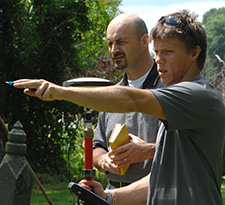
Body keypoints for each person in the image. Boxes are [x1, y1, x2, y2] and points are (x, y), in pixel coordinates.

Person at [13, 9, 225, 205]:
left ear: (194, 53)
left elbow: (133, 99)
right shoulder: (179, 106)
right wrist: (108, 197)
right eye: (157, 51)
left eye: (168, 52)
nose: (159, 60)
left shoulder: (197, 95)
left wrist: (61, 92)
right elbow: (160, 178)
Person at [93, 13, 164, 190]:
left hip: (156, 196)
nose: (114, 50)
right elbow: (97, 146)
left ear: (144, 41)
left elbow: (189, 148)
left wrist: (147, 151)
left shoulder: (170, 89)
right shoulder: (112, 94)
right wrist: (103, 160)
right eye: (110, 43)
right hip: (111, 194)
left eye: (121, 42)